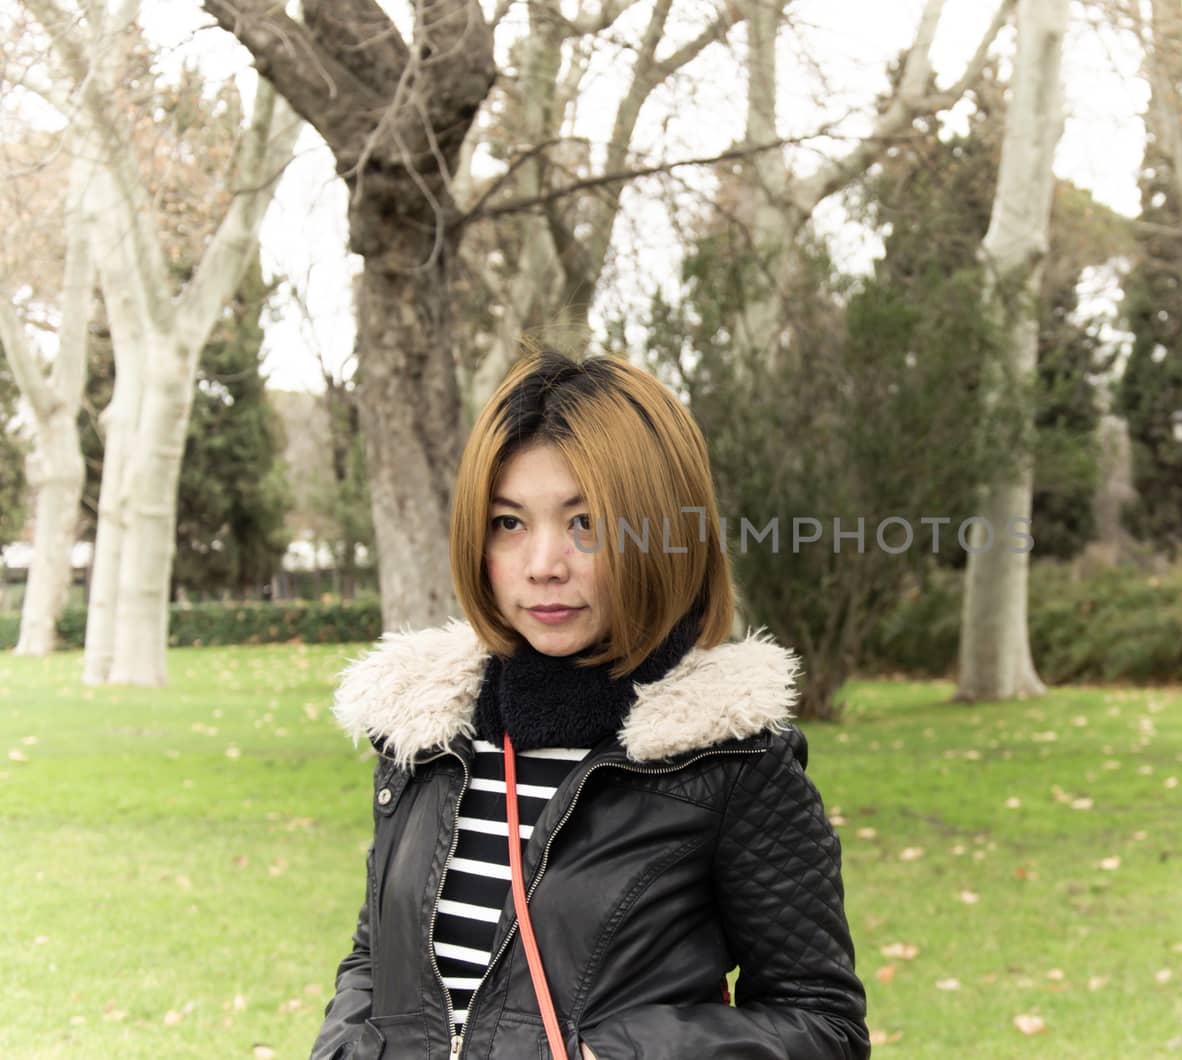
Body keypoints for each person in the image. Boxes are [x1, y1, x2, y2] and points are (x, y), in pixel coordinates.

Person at [310, 353, 870, 1060]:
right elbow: (375, 961)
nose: (544, 563)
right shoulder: (428, 734)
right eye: (509, 523)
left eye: (586, 524)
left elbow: (823, 1025)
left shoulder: (731, 759)